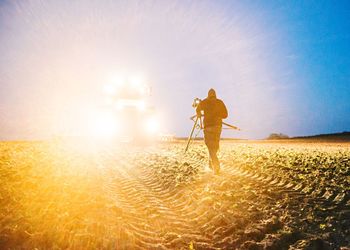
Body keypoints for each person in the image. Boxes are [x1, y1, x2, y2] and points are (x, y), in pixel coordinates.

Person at [196, 88, 228, 174]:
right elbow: (225, 115)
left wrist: (198, 113)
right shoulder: (220, 102)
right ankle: (210, 164)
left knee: (210, 147)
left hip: (208, 127)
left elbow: (197, 108)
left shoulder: (205, 102)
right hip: (218, 127)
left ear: (208, 95)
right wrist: (218, 115)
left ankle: (216, 165)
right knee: (215, 147)